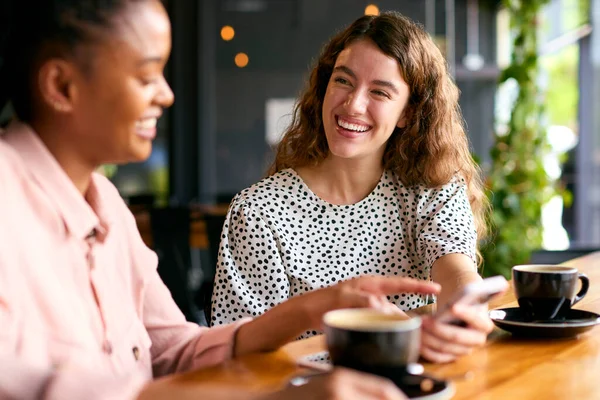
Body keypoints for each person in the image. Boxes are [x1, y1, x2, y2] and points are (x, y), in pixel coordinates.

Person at [0, 1, 441, 399]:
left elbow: (174, 353)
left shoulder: (107, 203)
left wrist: (313, 307)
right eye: (145, 74)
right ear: (61, 85)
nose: (166, 94)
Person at [211, 11, 494, 363]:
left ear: (408, 113)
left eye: (379, 91)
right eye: (343, 81)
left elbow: (455, 266)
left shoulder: (430, 188)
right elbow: (238, 354)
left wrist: (469, 305)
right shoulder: (257, 212)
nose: (353, 104)